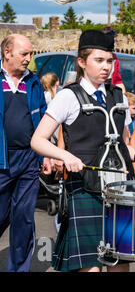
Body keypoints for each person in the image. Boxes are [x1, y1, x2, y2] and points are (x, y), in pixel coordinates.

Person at [30, 29, 135, 272]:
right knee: (91, 268)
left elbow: (123, 144)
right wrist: (65, 156)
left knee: (119, 265)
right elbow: (38, 140)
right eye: (99, 60)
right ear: (82, 62)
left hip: (119, 190)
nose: (105, 67)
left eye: (109, 61)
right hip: (84, 188)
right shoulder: (68, 96)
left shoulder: (119, 96)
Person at [0, 34, 50, 272]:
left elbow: (42, 120)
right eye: (24, 54)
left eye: (31, 53)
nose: (29, 59)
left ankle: (18, 269)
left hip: (28, 160)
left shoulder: (34, 82)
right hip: (1, 158)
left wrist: (46, 155)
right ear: (7, 52)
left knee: (24, 219)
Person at [101, 26, 126, 94]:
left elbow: (117, 80)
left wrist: (123, 96)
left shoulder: (114, 58)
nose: (115, 39)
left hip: (110, 93)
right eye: (113, 37)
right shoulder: (92, 56)